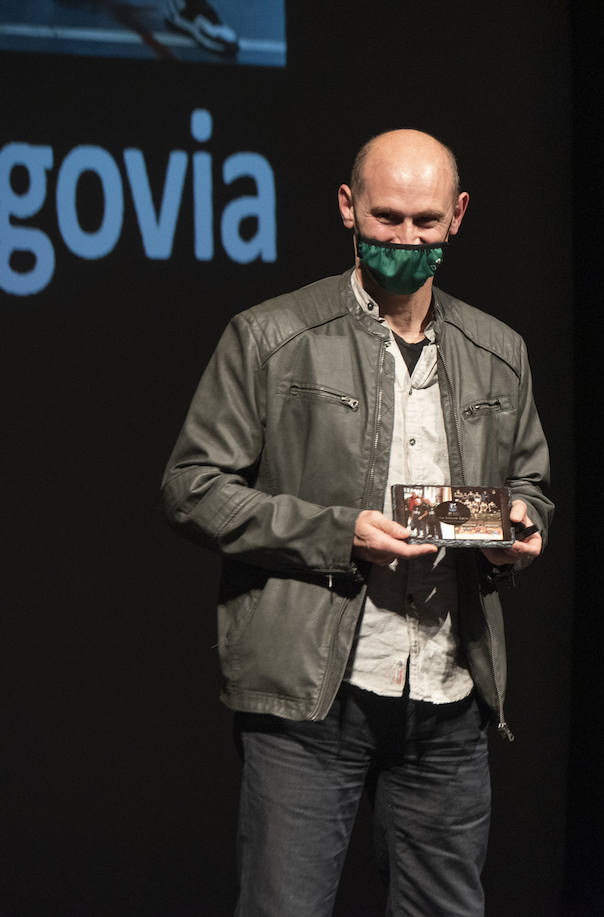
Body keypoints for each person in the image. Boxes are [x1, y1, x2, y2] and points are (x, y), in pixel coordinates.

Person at [162, 129, 552, 916]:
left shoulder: (498, 352)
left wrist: (519, 527)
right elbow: (192, 486)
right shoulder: (271, 336)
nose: (406, 239)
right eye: (386, 217)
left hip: (447, 693)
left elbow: (529, 483)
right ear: (347, 207)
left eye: (425, 221)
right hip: (314, 696)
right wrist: (337, 531)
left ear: (458, 216)